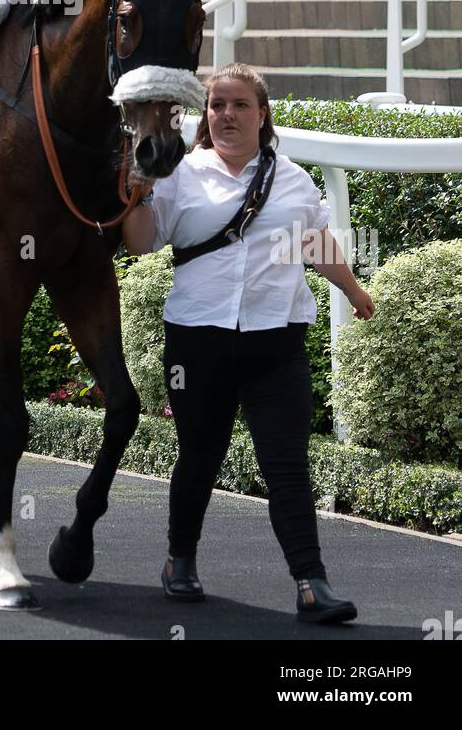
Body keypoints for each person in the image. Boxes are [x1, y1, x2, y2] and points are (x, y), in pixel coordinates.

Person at [122, 63, 375, 624]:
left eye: (240, 105)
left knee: (286, 465)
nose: (227, 115)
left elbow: (315, 242)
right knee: (200, 456)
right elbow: (139, 245)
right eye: (217, 106)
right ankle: (179, 561)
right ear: (205, 117)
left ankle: (312, 583)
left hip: (276, 341)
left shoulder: (292, 179)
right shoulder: (180, 175)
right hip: (197, 341)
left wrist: (354, 289)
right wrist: (139, 194)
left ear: (263, 115)